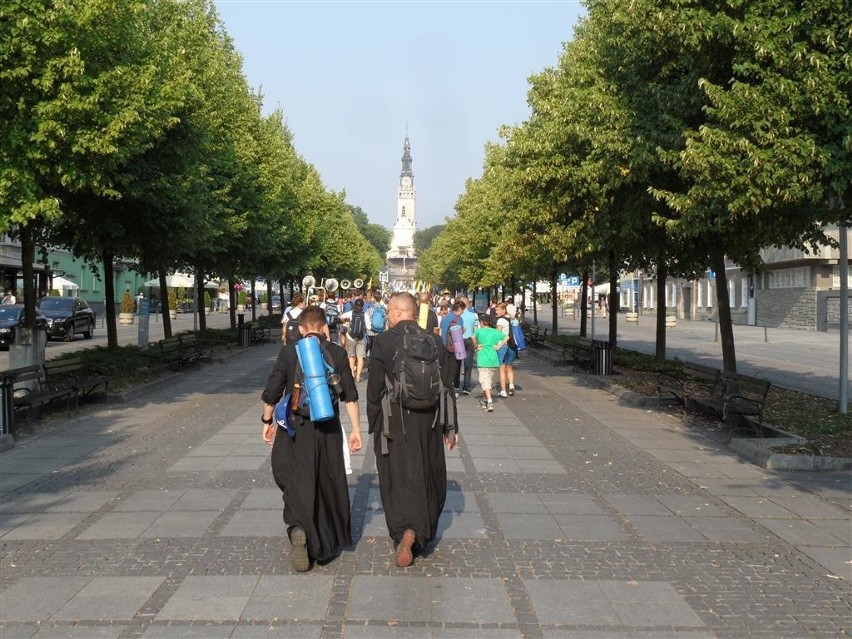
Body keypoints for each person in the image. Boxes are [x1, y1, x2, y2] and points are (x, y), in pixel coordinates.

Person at [260, 305, 362, 571]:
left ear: (302, 329)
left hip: (295, 427)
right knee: (326, 480)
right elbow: (349, 395)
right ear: (325, 328)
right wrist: (355, 431)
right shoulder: (337, 353)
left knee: (293, 477)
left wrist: (267, 421)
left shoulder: (289, 352)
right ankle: (324, 542)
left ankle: (297, 527)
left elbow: (272, 391)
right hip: (327, 428)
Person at [366, 292, 458, 568]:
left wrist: (373, 423)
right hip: (429, 419)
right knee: (428, 472)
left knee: (396, 474)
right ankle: (421, 530)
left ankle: (402, 529)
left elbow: (374, 388)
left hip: (394, 419)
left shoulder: (382, 342)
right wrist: (450, 426)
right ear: (414, 312)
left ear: (395, 312)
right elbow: (447, 384)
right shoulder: (433, 340)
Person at [472, 313, 507, 412]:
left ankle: (489, 401)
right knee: (488, 381)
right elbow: (506, 337)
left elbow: (473, 337)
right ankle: (485, 399)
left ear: (481, 322)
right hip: (493, 359)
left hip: (482, 359)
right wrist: (499, 346)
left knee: (485, 381)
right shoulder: (494, 332)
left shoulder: (479, 331)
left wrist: (476, 346)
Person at [439, 301, 465, 396]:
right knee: (455, 367)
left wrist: (444, 344)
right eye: (463, 309)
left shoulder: (445, 318)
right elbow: (459, 333)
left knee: (446, 367)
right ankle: (453, 387)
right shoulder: (459, 319)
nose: (463, 311)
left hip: (445, 346)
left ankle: (445, 386)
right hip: (456, 347)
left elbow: (442, 332)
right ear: (459, 309)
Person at [340, 298, 367, 382]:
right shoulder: (365, 314)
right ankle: (358, 376)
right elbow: (369, 326)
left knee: (351, 356)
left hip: (351, 337)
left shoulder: (351, 313)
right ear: (362, 306)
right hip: (361, 337)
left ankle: (351, 374)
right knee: (360, 357)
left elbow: (341, 317)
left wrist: (346, 322)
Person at [457, 296, 479, 395]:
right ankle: (466, 386)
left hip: (458, 340)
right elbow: (476, 330)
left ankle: (456, 384)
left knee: (457, 363)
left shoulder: (457, 315)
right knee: (468, 364)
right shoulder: (473, 316)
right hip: (469, 340)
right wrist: (477, 343)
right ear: (467, 304)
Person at [495, 302, 518, 397]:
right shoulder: (512, 319)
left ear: (504, 310)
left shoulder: (500, 320)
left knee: (502, 368)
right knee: (509, 367)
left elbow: (498, 334)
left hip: (503, 345)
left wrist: (495, 345)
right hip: (512, 345)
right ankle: (511, 385)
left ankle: (503, 390)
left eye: (498, 310)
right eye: (496, 310)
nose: (497, 312)